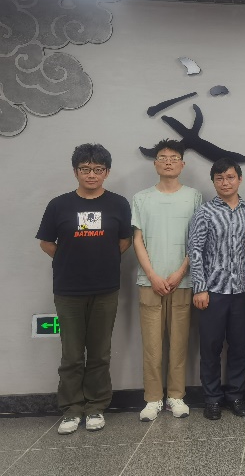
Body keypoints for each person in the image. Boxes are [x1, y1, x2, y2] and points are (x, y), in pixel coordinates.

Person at [36, 144, 132, 434]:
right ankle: (71, 409)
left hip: (106, 288)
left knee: (100, 352)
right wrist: (71, 260)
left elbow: (124, 241)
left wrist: (100, 260)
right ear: (76, 171)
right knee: (72, 354)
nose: (92, 175)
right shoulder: (59, 205)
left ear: (107, 172)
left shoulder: (118, 204)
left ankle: (96, 407)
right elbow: (46, 242)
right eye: (85, 169)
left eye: (98, 169)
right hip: (68, 290)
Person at [132, 139, 203, 421]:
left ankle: (176, 396)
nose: (168, 162)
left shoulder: (194, 196)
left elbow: (197, 239)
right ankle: (152, 399)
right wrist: (151, 274)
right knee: (151, 345)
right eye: (163, 157)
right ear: (155, 164)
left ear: (182, 164)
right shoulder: (141, 198)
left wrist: (181, 271)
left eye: (174, 158)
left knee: (179, 343)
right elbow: (137, 239)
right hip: (149, 281)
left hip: (182, 281)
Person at [188, 158, 245, 420]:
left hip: (243, 291)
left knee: (239, 346)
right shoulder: (204, 212)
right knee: (210, 348)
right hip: (212, 292)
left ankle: (236, 395)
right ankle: (212, 399)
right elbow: (195, 250)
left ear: (239, 179)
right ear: (214, 182)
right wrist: (199, 288)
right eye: (219, 178)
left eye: (230, 177)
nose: (225, 183)